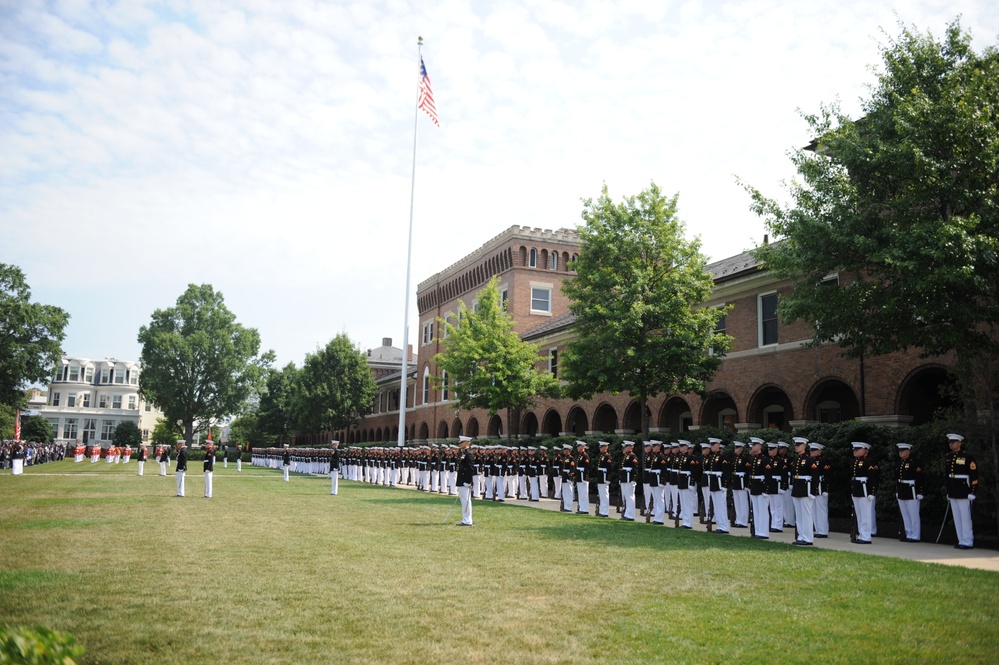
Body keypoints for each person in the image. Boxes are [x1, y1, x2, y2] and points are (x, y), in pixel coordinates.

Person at [944, 433, 978, 550]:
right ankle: (961, 540)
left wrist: (972, 491)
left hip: (964, 490)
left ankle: (968, 541)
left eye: (953, 442)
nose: (951, 444)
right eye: (950, 443)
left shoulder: (967, 457)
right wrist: (948, 491)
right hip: (953, 490)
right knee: (957, 517)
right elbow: (947, 476)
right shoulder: (948, 457)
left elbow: (974, 475)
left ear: (959, 443)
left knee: (965, 517)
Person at [850, 441, 878, 544]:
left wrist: (872, 492)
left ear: (863, 450)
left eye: (857, 450)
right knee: (860, 515)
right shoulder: (854, 462)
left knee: (865, 515)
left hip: (864, 490)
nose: (854, 452)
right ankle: (861, 534)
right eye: (854, 450)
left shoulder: (868, 463)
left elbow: (872, 479)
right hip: (857, 490)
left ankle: (866, 536)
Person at [895, 442, 923, 542]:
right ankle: (909, 533)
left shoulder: (914, 463)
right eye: (899, 451)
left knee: (913, 514)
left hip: (911, 490)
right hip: (902, 489)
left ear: (908, 451)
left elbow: (919, 478)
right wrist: (897, 490)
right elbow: (898, 478)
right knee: (905, 514)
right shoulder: (900, 463)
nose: (900, 453)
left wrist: (919, 492)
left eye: (902, 451)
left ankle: (915, 535)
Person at [790, 437, 815, 545]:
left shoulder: (810, 460)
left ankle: (808, 538)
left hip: (805, 489)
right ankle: (800, 536)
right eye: (796, 445)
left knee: (806, 514)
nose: (796, 447)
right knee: (799, 515)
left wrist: (813, 491)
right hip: (797, 488)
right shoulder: (796, 459)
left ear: (804, 446)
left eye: (799, 445)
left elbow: (815, 476)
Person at [704, 437, 729, 533]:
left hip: (719, 484)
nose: (712, 446)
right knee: (716, 506)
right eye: (711, 445)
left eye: (713, 444)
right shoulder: (712, 457)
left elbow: (726, 473)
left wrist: (724, 485)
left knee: (721, 506)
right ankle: (719, 525)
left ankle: (724, 527)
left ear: (718, 445)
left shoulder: (723, 457)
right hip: (713, 483)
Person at [748, 438, 770, 539]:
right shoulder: (753, 459)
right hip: (754, 485)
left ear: (760, 446)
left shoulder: (765, 459)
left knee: (763, 510)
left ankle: (764, 532)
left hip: (761, 486)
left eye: (755, 444)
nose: (752, 446)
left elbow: (768, 476)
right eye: (752, 444)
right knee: (756, 510)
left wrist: (766, 489)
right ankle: (758, 530)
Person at [810, 442, 830, 538]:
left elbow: (827, 476)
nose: (811, 452)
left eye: (814, 450)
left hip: (821, 488)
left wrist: (826, 489)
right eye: (811, 450)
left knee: (821, 509)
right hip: (814, 487)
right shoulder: (811, 460)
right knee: (814, 510)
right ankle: (817, 529)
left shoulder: (823, 461)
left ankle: (823, 530)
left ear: (820, 451)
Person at [730, 441, 750, 528]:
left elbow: (748, 472)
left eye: (737, 448)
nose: (735, 449)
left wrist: (746, 484)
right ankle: (738, 520)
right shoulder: (734, 459)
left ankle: (744, 521)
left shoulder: (745, 459)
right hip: (736, 481)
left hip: (742, 481)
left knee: (743, 502)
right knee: (737, 502)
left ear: (742, 449)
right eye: (735, 447)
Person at [456, 436, 474, 526]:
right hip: (461, 480)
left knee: (466, 501)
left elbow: (470, 469)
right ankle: (465, 519)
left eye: (462, 442)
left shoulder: (469, 454)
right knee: (464, 501)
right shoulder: (463, 454)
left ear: (467, 443)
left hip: (465, 481)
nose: (460, 444)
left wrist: (468, 481)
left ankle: (467, 520)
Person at [618, 441, 638, 521]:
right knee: (625, 497)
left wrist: (634, 479)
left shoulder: (632, 456)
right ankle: (626, 513)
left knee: (630, 497)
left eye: (625, 447)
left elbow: (635, 469)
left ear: (630, 447)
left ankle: (630, 515)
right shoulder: (626, 456)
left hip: (629, 479)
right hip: (625, 478)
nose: (624, 449)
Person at [595, 441, 612, 517]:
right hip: (601, 477)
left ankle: (605, 512)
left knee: (604, 495)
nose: (600, 448)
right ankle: (602, 511)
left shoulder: (607, 457)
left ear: (606, 448)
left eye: (602, 447)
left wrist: (608, 478)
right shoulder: (602, 456)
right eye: (600, 447)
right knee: (601, 495)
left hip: (604, 477)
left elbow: (609, 468)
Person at [574, 440, 590, 515]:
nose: (577, 447)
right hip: (579, 476)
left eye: (578, 446)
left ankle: (585, 509)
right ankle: (581, 508)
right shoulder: (580, 456)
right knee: (581, 493)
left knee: (584, 493)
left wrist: (585, 477)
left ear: (582, 447)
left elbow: (587, 467)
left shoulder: (585, 456)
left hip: (583, 476)